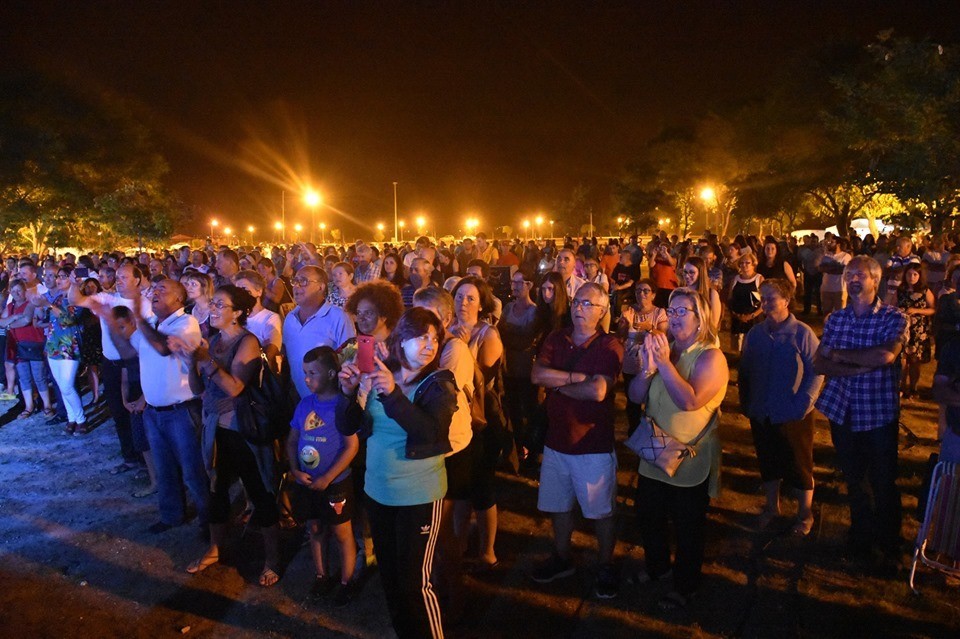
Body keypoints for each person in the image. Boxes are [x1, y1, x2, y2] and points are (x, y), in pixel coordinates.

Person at [338, 307, 456, 639]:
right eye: (421, 336)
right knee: (390, 578)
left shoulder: (439, 383)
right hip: (378, 491)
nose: (429, 344)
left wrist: (392, 394)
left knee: (415, 583)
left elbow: (429, 433)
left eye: (435, 338)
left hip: (419, 495)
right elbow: (347, 425)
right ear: (401, 339)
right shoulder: (381, 373)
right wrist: (348, 393)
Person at [627, 287, 728, 609]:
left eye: (683, 311)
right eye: (672, 311)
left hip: (687, 458)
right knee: (648, 514)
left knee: (688, 526)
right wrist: (646, 368)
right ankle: (658, 567)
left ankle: (686, 585)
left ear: (701, 319)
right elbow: (634, 396)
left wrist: (664, 363)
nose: (675, 317)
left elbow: (690, 400)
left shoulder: (711, 357)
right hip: (655, 450)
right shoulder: (666, 349)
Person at [175, 285, 281, 586]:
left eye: (221, 305)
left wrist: (206, 360)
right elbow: (197, 390)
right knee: (216, 493)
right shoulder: (214, 341)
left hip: (241, 430)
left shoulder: (246, 342)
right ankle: (216, 548)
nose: (214, 308)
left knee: (260, 492)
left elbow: (236, 388)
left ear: (237, 313)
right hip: (215, 429)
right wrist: (192, 361)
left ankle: (273, 557)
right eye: (214, 303)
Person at [530, 282, 624, 599]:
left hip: (592, 445)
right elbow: (536, 375)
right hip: (557, 442)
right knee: (558, 505)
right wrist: (575, 380)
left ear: (601, 311)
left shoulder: (609, 345)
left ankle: (606, 564)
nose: (578, 307)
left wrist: (557, 383)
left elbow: (599, 392)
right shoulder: (558, 337)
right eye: (576, 301)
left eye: (587, 303)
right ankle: (561, 556)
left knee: (600, 511)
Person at [814, 256, 908, 571]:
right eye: (849, 273)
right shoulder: (836, 320)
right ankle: (860, 539)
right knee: (854, 480)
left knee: (883, 481)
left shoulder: (893, 318)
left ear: (875, 280)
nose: (853, 279)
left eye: (861, 274)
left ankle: (889, 545)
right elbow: (818, 363)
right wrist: (860, 364)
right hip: (843, 411)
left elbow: (885, 355)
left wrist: (840, 357)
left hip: (878, 413)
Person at [96, 278, 209, 535]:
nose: (155, 293)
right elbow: (128, 351)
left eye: (162, 289)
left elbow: (162, 349)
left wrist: (139, 318)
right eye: (154, 289)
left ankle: (209, 521)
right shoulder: (155, 325)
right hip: (154, 411)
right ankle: (172, 515)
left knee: (193, 471)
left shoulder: (186, 323)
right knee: (164, 468)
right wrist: (112, 323)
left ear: (179, 299)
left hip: (181, 411)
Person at [739, 279, 823, 535]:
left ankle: (804, 513)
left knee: (799, 464)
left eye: (770, 298)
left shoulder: (802, 333)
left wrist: (803, 404)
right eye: (762, 298)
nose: (764, 303)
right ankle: (772, 507)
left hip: (793, 411)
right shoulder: (755, 334)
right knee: (769, 461)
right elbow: (745, 369)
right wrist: (747, 401)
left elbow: (816, 371)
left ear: (786, 301)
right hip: (762, 410)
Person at [287, 346, 361, 605]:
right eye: (304, 373)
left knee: (342, 532)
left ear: (331, 373)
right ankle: (321, 576)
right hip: (308, 482)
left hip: (336, 484)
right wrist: (295, 469)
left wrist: (328, 477)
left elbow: (352, 446)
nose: (306, 379)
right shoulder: (305, 404)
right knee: (316, 528)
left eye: (312, 373)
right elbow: (292, 438)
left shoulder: (342, 405)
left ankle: (346, 580)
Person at [450, 275, 505, 571]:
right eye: (459, 296)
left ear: (482, 303)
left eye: (471, 298)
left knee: (483, 489)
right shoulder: (448, 330)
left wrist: (459, 346)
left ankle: (487, 550)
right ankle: (458, 545)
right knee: (458, 489)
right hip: (456, 418)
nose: (464, 303)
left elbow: (483, 379)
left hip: (482, 420)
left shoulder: (488, 335)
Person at [282, 265, 356, 399]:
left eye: (303, 281)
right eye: (295, 281)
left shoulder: (338, 317)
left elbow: (349, 360)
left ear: (321, 287)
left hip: (329, 401)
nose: (297, 286)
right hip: (299, 399)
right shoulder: (290, 318)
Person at [33, 266, 87, 433]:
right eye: (59, 277)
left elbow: (67, 319)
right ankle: (72, 418)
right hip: (53, 346)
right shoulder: (56, 299)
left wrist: (47, 305)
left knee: (67, 385)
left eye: (63, 276)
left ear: (73, 278)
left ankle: (81, 419)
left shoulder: (77, 299)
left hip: (70, 347)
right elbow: (50, 322)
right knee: (61, 384)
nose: (59, 279)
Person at [498, 272, 543, 463]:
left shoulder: (535, 311)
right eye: (512, 282)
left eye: (519, 282)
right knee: (513, 410)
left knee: (530, 411)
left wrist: (510, 337)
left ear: (529, 284)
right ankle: (518, 448)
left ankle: (532, 450)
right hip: (509, 368)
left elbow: (527, 339)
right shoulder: (508, 308)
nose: (514, 286)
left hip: (527, 369)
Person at [618, 278, 668, 431]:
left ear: (653, 295)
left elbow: (663, 336)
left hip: (651, 363)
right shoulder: (629, 311)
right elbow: (620, 338)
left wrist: (649, 328)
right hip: (631, 363)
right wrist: (624, 324)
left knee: (650, 400)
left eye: (646, 291)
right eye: (638, 290)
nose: (642, 294)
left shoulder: (659, 313)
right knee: (632, 401)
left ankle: (650, 433)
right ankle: (633, 432)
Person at [2, 279, 53, 418]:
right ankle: (29, 406)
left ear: (25, 291)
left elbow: (26, 320)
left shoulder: (30, 303)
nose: (16, 293)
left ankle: (47, 405)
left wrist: (9, 323)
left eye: (19, 290)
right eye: (13, 291)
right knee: (24, 378)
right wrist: (13, 318)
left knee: (39, 377)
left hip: (33, 344)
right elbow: (1, 322)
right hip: (18, 346)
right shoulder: (10, 307)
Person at [895, 263, 935, 399]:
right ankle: (901, 387)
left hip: (918, 330)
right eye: (909, 274)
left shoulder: (925, 291)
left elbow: (933, 309)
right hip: (902, 329)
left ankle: (913, 387)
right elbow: (893, 306)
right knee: (902, 360)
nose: (911, 277)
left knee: (915, 361)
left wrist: (917, 311)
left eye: (915, 274)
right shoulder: (901, 290)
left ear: (920, 276)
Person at [232, 270, 282, 372]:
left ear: (259, 291)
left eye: (244, 289)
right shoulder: (234, 316)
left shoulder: (270, 318)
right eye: (237, 290)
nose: (239, 294)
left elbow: (272, 349)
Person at [727, 253, 764, 352]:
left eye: (747, 263)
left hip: (754, 319)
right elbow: (730, 299)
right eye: (742, 263)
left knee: (752, 347)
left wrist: (752, 315)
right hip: (738, 318)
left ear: (753, 264)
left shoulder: (759, 279)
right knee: (737, 348)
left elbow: (764, 301)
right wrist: (736, 315)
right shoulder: (735, 279)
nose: (744, 265)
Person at [681, 256, 722, 333]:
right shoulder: (681, 293)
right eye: (685, 272)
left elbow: (714, 323)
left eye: (691, 272)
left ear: (700, 273)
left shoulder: (711, 294)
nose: (687, 275)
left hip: (704, 338)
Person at [818, 235, 852, 315]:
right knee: (826, 313)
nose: (829, 244)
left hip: (839, 289)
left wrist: (829, 268)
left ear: (838, 244)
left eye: (832, 242)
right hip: (826, 288)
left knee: (840, 314)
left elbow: (842, 270)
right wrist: (835, 267)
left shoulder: (846, 256)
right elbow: (821, 268)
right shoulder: (826, 256)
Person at [181, 270, 215, 339]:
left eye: (193, 284)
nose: (188, 288)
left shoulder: (215, 310)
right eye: (188, 284)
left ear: (204, 287)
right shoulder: (187, 310)